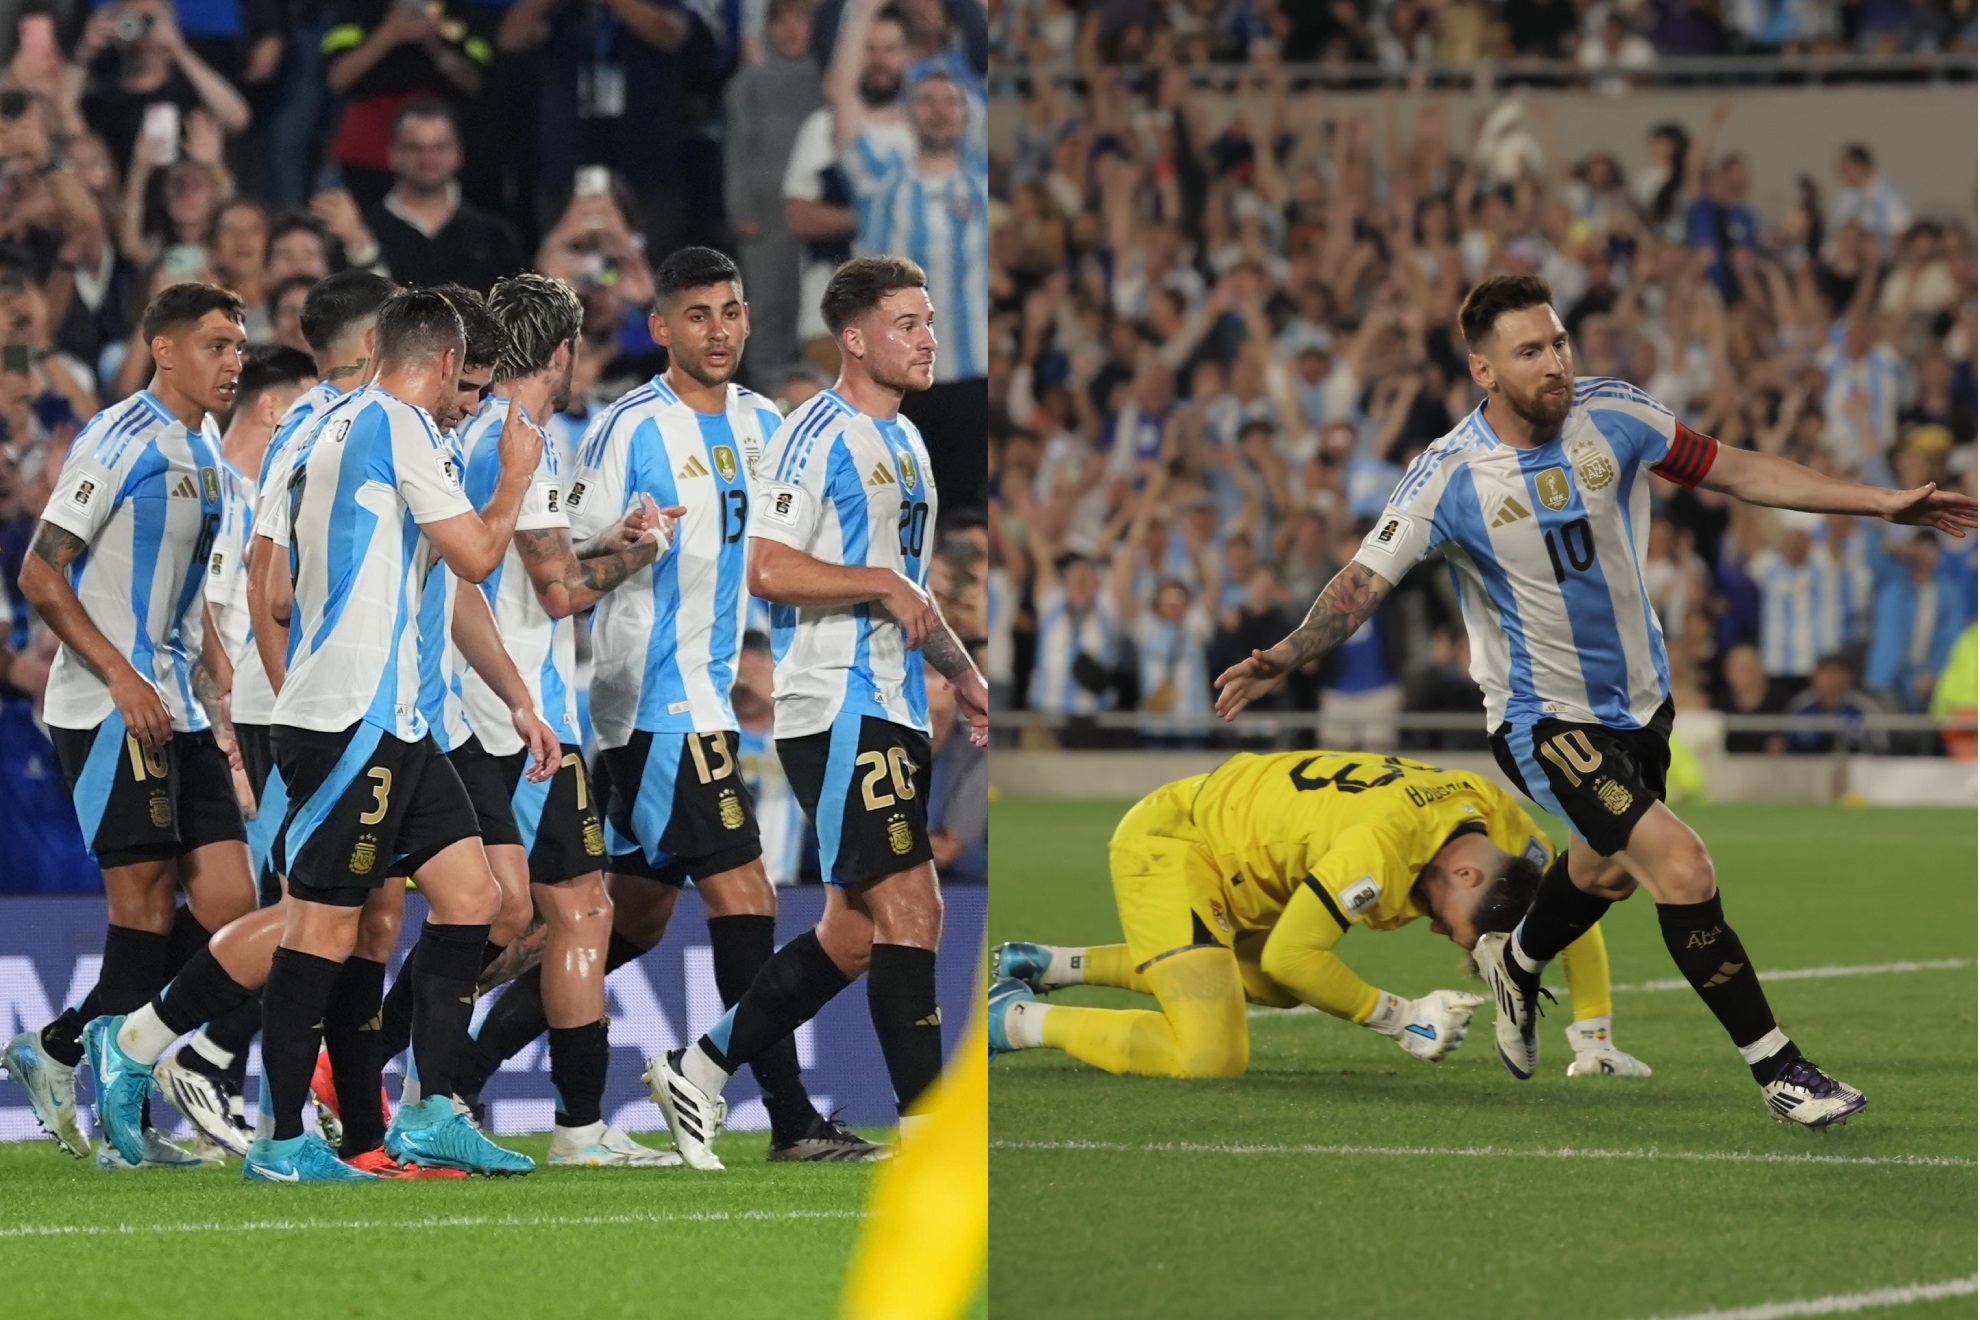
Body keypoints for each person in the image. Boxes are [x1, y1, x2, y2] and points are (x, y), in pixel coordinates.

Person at [1214, 274, 1975, 1127]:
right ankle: (1782, 1071)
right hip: (1543, 721)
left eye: (1559, 343)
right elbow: (1361, 582)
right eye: (1530, 351)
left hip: (1640, 703)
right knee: (1680, 867)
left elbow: (1735, 469)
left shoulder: (1616, 415)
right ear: (1483, 370)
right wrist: (1282, 656)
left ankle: (1517, 960)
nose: (1555, 363)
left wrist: (1877, 501)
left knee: (1604, 871)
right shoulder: (1447, 476)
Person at [453, 248, 877, 1161]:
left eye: (731, 312)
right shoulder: (624, 429)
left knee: (629, 920)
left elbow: (771, 557)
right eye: (697, 315)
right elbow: (560, 560)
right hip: (651, 700)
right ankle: (786, 1116)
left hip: (707, 696)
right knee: (745, 893)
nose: (717, 330)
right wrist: (625, 545)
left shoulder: (770, 425)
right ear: (662, 329)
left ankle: (455, 1075)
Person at [645, 255, 988, 1170]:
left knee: (854, 932)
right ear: (856, 336)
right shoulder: (814, 433)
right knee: (914, 910)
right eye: (908, 324)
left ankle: (701, 1066)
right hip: (834, 703)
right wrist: (878, 582)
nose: (928, 339)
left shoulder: (907, 443)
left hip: (898, 701)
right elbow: (768, 568)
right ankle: (929, 1142)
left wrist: (962, 669)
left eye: (928, 322)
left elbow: (907, 591)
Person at [244, 288, 544, 1180]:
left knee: (475, 895)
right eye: (470, 383)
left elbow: (279, 590)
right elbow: (481, 558)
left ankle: (424, 1112)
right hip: (350, 719)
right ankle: (282, 1139)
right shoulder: (405, 426)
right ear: (448, 362)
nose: (473, 403)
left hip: (396, 725)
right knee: (321, 931)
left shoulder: (327, 423)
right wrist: (518, 473)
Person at [3, 283, 255, 1169]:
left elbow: (196, 601)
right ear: (165, 350)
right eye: (218, 345)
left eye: (238, 345)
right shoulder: (119, 437)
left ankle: (61, 1047)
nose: (234, 361)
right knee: (143, 917)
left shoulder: (206, 443)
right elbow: (41, 574)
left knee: (233, 916)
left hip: (180, 712)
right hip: (110, 712)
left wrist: (221, 693)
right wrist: (119, 672)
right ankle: (124, 1126)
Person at [986, 752, 1649, 1080]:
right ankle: (1014, 1019)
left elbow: (1568, 910)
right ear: (1468, 874)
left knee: (1273, 990)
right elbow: (1291, 955)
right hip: (1180, 846)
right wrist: (1401, 1017)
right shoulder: (1384, 847)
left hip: (1242, 847)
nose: (1445, 934)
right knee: (1211, 1054)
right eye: (1460, 926)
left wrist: (1592, 1037)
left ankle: (1045, 964)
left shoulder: (1500, 823)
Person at [363, 101, 525, 290]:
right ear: (393, 155)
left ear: (458, 153)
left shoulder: (496, 238)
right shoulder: (366, 233)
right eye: (414, 148)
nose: (428, 159)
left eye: (439, 148)